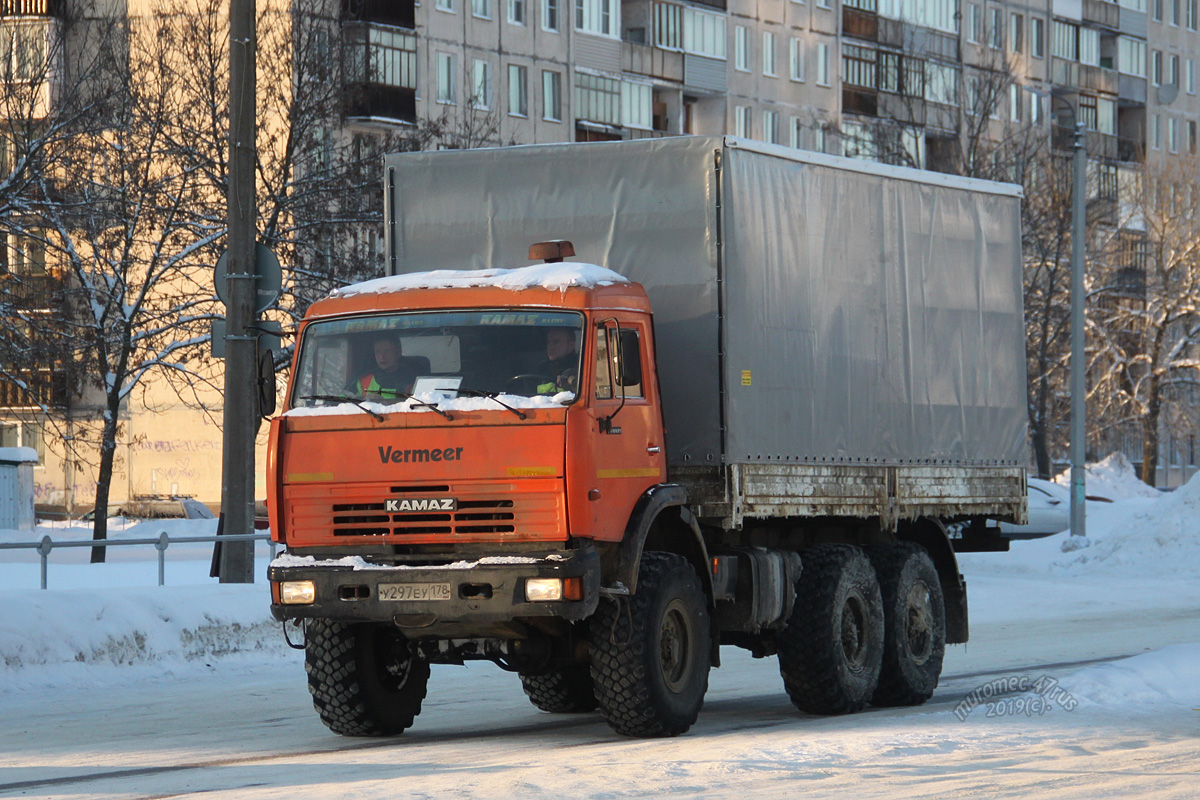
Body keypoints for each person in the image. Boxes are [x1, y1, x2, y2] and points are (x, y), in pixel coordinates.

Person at [355, 334, 418, 401]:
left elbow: (422, 405)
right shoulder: (363, 380)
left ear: (399, 352)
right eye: (378, 351)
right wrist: (363, 400)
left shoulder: (413, 380)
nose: (381, 356)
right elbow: (344, 400)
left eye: (387, 351)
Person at [535, 327, 579, 394]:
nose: (550, 347)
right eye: (548, 342)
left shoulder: (580, 369)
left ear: (571, 346)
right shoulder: (540, 369)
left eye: (556, 342)